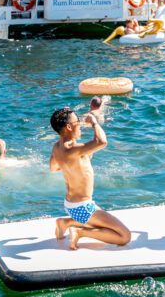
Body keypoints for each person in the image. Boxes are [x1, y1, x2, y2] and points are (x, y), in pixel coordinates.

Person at [49, 107, 131, 250]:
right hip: (83, 207)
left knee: (106, 224)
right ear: (69, 127)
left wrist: (71, 166)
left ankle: (66, 222)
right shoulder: (74, 150)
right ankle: (79, 231)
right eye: (78, 121)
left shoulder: (57, 148)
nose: (80, 124)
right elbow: (102, 141)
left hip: (70, 204)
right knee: (124, 236)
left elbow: (53, 168)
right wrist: (94, 123)